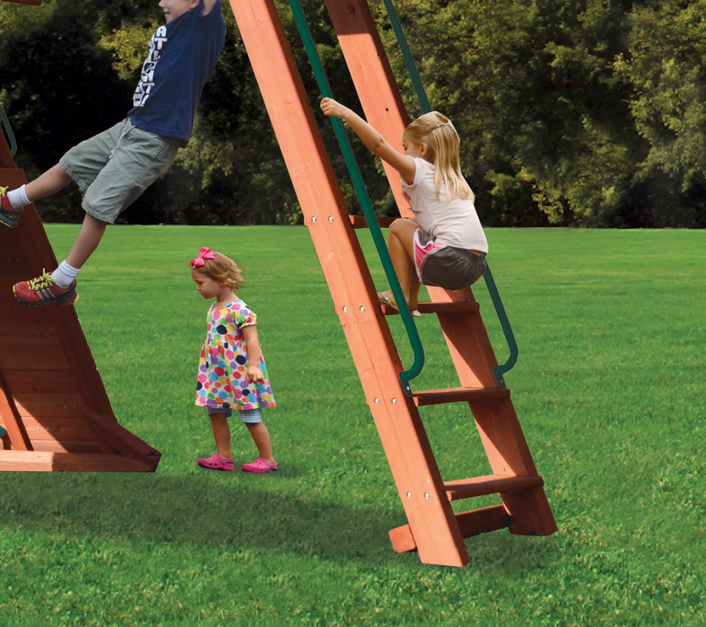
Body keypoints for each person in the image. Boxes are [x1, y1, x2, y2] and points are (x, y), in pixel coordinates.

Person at [0, 0, 225, 304]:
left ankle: (63, 280)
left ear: (194, 1)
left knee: (98, 203)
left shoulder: (201, 27)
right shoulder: (179, 23)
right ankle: (13, 203)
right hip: (132, 126)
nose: (160, 3)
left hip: (155, 138)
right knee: (71, 161)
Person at [319, 99, 489, 312]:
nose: (404, 153)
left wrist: (346, 113)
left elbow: (378, 145)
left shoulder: (419, 168)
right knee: (411, 225)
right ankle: (408, 295)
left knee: (398, 227)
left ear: (422, 149)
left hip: (450, 259)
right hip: (476, 266)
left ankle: (402, 293)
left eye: (406, 148)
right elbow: (434, 219)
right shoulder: (451, 178)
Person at [189, 248, 277, 473]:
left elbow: (252, 338)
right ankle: (223, 457)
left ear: (220, 280)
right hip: (217, 373)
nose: (197, 288)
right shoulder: (214, 306)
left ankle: (267, 459)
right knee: (216, 413)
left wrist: (254, 365)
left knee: (250, 416)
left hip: (239, 372)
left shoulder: (239, 309)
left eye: (200, 283)